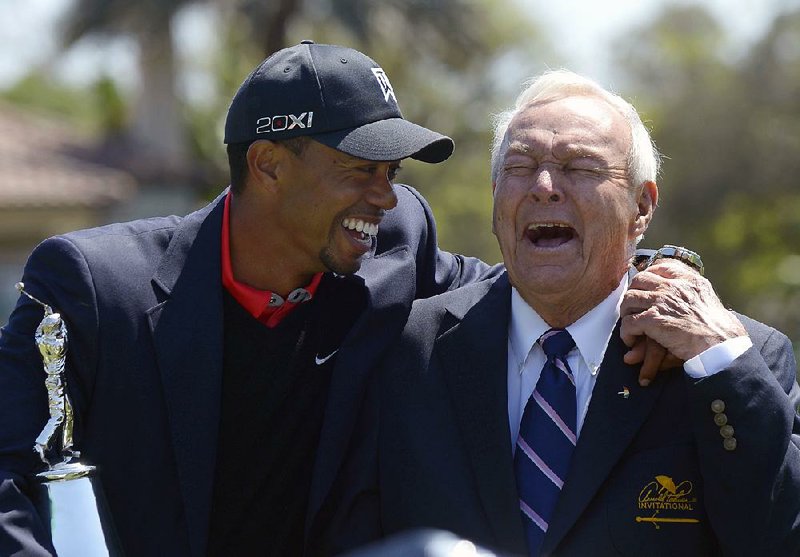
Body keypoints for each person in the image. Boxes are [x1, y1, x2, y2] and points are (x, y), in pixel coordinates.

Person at [0, 41, 500, 556]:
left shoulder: (397, 244)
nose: (385, 196)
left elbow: (520, 289)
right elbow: (6, 475)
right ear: (268, 165)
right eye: (360, 169)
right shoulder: (93, 288)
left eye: (391, 172)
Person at [328, 70, 800, 556]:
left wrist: (722, 362)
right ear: (495, 200)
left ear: (642, 206)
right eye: (520, 166)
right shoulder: (405, 354)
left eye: (580, 167)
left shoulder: (734, 359)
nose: (545, 186)